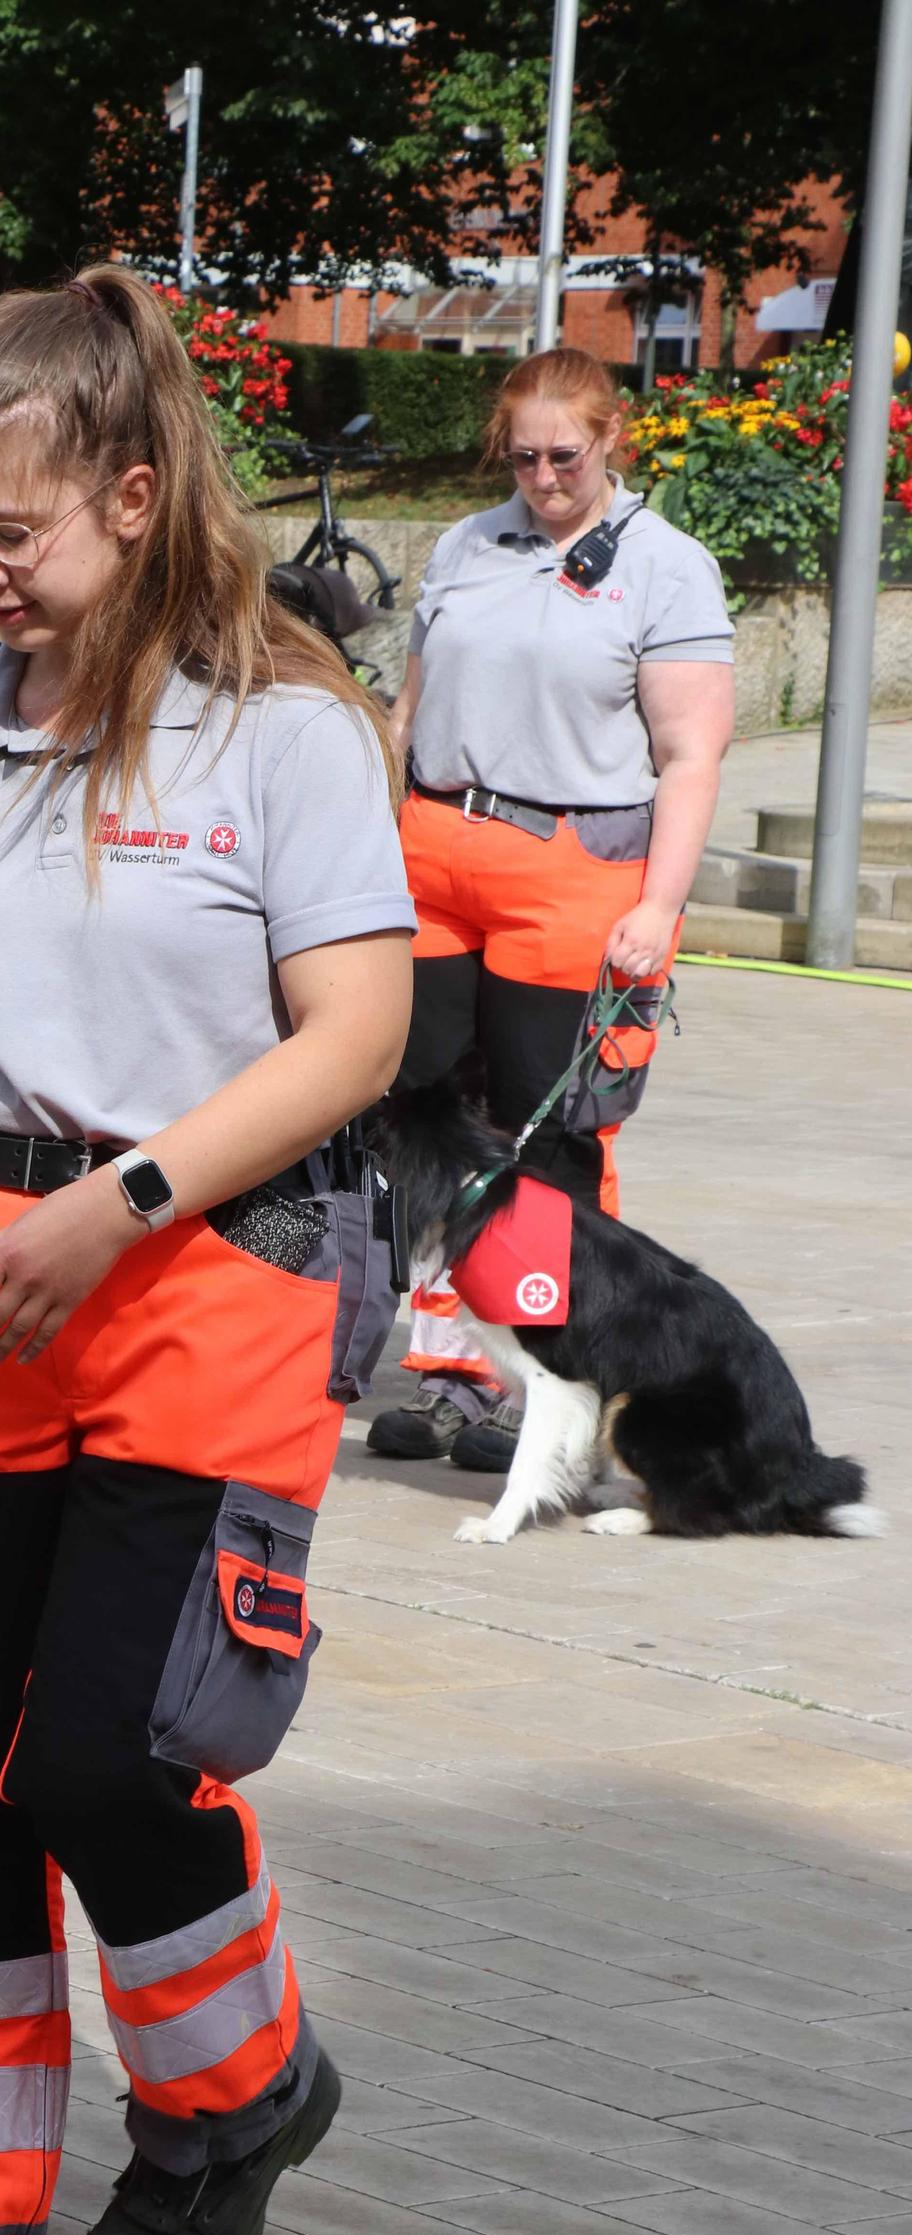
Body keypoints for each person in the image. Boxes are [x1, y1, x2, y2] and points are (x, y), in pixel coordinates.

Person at [0, 266, 415, 2235]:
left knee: (105, 1755)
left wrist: (123, 1198)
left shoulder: (286, 728)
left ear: (135, 499)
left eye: (7, 539)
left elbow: (361, 1035)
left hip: (205, 1282)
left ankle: (234, 2090)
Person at [367, 346, 735, 1477]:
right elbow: (407, 714)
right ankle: (447, 1373)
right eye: (521, 456)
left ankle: (556, 1383)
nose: (542, 477)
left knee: (550, 1140)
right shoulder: (470, 544)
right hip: (433, 850)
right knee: (417, 1122)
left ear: (612, 437)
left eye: (563, 455)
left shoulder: (667, 570)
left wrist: (659, 908)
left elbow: (689, 756)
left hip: (573, 866)